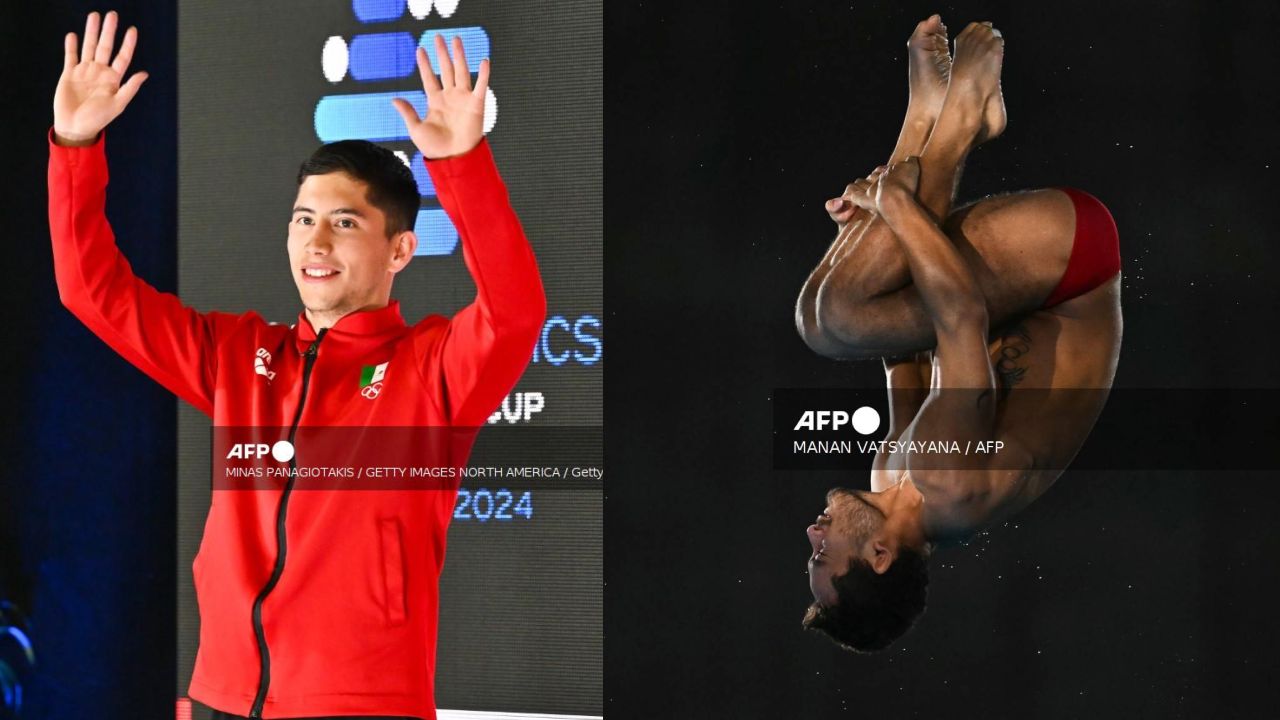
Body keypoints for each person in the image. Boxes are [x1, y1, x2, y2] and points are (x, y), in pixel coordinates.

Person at [48, 11, 545, 719]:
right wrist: (75, 142)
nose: (316, 241)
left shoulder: (429, 368)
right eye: (302, 218)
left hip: (359, 706)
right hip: (221, 698)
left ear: (400, 251)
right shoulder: (238, 356)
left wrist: (461, 164)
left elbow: (517, 311)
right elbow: (89, 291)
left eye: (344, 222)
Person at [797, 17, 1121, 652]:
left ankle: (926, 122)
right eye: (820, 558)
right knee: (836, 319)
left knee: (828, 314)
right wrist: (892, 210)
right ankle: (957, 118)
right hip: (1071, 266)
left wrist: (857, 242)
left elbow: (907, 357)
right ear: (881, 554)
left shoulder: (894, 483)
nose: (812, 535)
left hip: (1013, 299)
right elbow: (960, 317)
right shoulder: (947, 480)